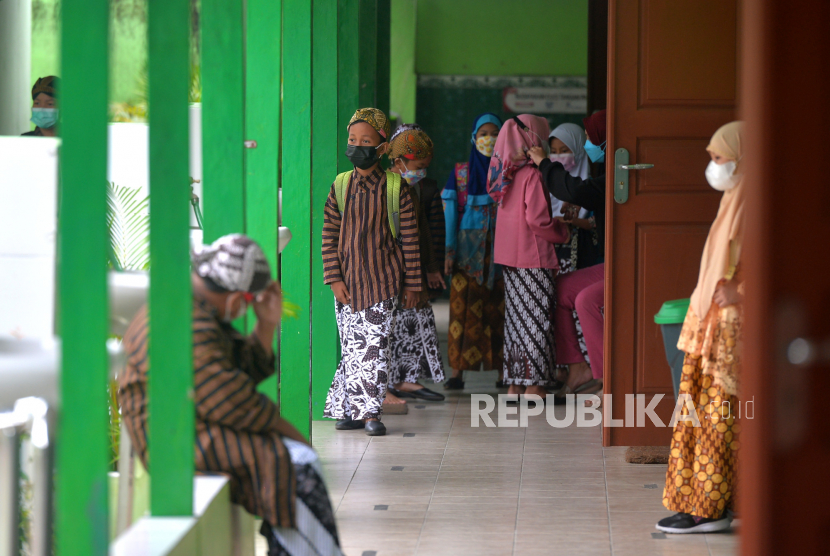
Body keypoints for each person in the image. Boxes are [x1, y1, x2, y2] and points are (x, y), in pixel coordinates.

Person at [119, 234, 343, 556]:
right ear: (238, 299)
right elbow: (238, 404)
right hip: (175, 442)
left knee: (291, 461)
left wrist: (266, 325)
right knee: (296, 464)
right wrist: (299, 439)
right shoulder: (186, 324)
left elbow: (235, 371)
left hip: (187, 428)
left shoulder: (189, 309)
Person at [656, 122, 744, 534]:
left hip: (731, 330)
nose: (713, 167)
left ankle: (707, 509)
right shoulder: (735, 199)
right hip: (710, 321)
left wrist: (742, 292)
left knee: (716, 419)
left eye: (719, 158)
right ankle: (729, 502)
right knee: (708, 416)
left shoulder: (758, 204)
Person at [322, 108, 422, 436]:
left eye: (366, 140)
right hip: (347, 284)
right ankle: (350, 409)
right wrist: (333, 278)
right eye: (352, 139)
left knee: (374, 346)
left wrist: (412, 285)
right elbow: (329, 236)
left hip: (384, 281)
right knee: (353, 346)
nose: (357, 145)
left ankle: (370, 413)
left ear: (381, 146)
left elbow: (410, 240)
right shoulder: (339, 187)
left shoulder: (396, 188)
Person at [488, 114, 570, 399]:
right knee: (537, 321)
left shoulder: (506, 174)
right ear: (533, 140)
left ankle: (515, 384)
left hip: (510, 258)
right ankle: (534, 386)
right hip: (533, 259)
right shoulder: (534, 175)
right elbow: (538, 221)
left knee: (516, 321)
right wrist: (562, 231)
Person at [529, 110, 607, 400]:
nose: (588, 143)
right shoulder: (610, 170)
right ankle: (577, 368)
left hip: (626, 264)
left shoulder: (618, 173)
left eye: (591, 138)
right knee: (559, 290)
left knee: (586, 298)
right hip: (609, 265)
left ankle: (605, 378)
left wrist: (545, 163)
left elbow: (575, 191)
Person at [441, 113, 505, 390]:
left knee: (500, 315)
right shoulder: (461, 174)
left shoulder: (508, 172)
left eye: (495, 133)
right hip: (465, 258)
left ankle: (504, 374)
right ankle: (456, 374)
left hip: (502, 257)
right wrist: (448, 252)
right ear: (473, 138)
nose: (488, 139)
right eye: (483, 134)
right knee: (462, 314)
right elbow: (450, 216)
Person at [385, 124, 447, 402]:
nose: (421, 171)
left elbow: (422, 232)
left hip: (409, 270)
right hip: (386, 273)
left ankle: (405, 381)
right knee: (385, 328)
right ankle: (385, 385)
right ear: (398, 161)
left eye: (425, 166)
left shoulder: (415, 189)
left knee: (410, 323)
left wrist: (428, 269)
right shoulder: (382, 187)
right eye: (418, 165)